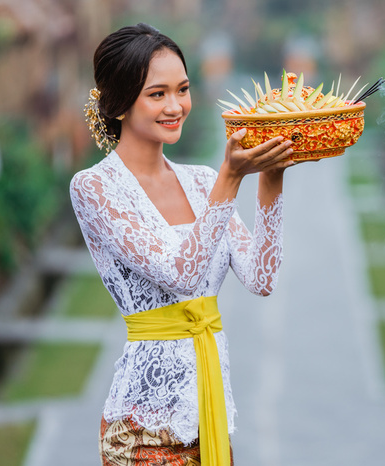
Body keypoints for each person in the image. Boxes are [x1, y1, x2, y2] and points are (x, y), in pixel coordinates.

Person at [69, 23, 294, 466]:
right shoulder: (94, 188)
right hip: (141, 430)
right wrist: (230, 180)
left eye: (183, 90)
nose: (175, 106)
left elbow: (261, 277)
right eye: (157, 94)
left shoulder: (202, 182)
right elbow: (181, 275)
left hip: (208, 417)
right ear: (118, 103)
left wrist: (272, 175)